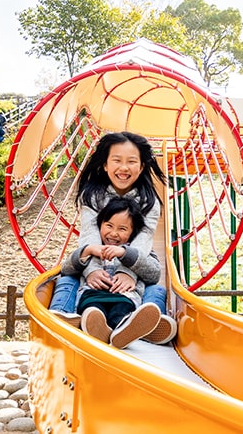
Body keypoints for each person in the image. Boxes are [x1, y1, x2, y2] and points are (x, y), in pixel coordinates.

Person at [48, 131, 177, 345]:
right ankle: (65, 316)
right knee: (67, 278)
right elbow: (90, 235)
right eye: (116, 160)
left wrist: (128, 273)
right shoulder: (92, 196)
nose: (124, 168)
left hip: (133, 259)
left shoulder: (149, 201)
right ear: (105, 165)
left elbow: (143, 240)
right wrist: (93, 270)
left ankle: (150, 325)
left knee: (156, 287)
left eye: (131, 162)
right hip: (96, 257)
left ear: (142, 166)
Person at [62, 197, 162, 349]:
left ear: (132, 232)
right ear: (100, 225)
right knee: (92, 310)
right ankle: (99, 328)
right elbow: (66, 269)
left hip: (124, 297)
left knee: (121, 314)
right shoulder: (92, 248)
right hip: (93, 295)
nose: (114, 234)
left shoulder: (138, 251)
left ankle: (121, 331)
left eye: (122, 229)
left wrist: (125, 255)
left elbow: (154, 274)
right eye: (109, 226)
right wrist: (87, 251)